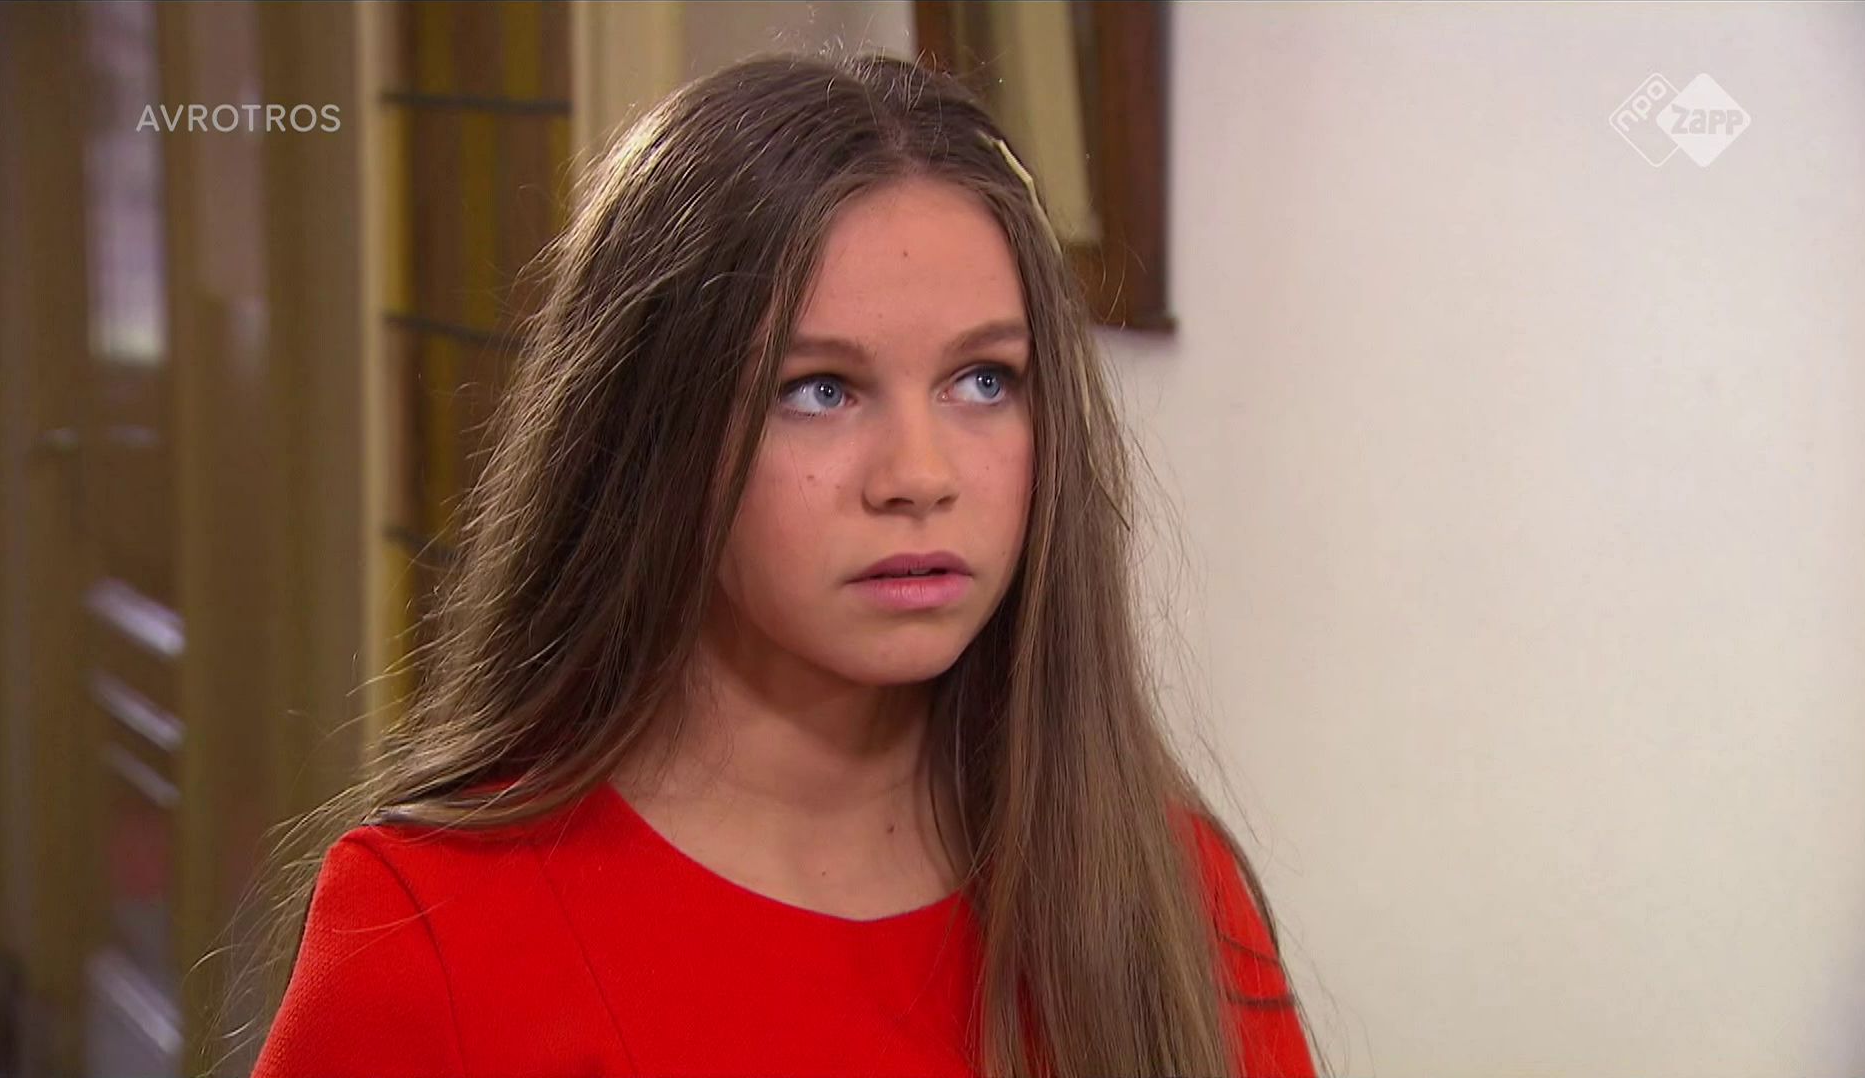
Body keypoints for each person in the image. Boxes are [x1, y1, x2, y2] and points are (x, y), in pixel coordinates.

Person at [239, 52, 1321, 1078]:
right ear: (650, 432)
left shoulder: (1162, 889)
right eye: (820, 390)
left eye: (984, 380)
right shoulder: (428, 935)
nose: (919, 475)